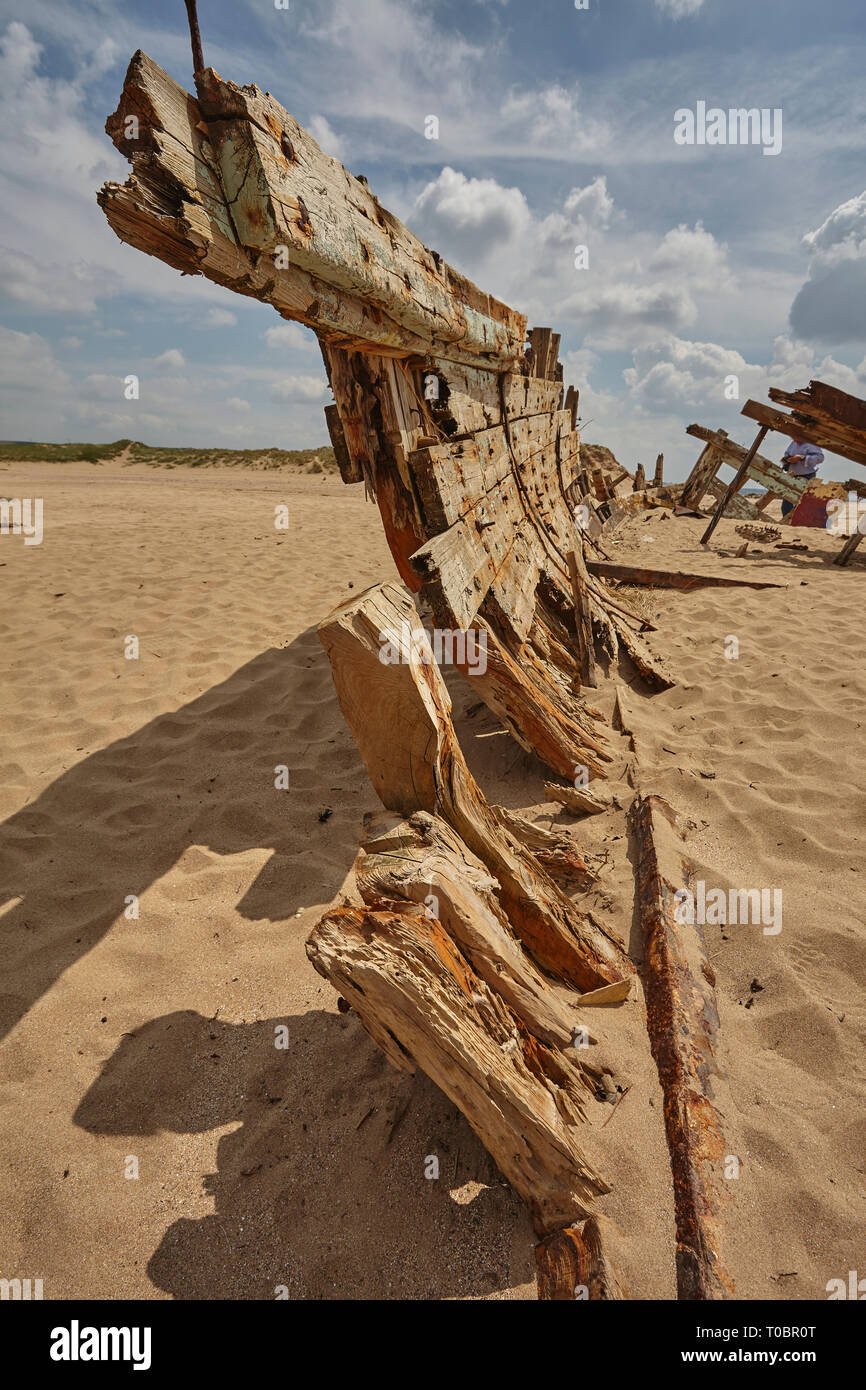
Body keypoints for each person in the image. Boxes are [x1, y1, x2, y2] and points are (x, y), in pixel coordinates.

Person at [780, 438, 824, 517]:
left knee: (805, 503)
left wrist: (802, 457)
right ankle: (788, 523)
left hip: (807, 475)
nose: (793, 438)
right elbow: (786, 454)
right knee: (786, 505)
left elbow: (820, 458)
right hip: (792, 476)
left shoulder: (811, 443)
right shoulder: (793, 443)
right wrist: (786, 459)